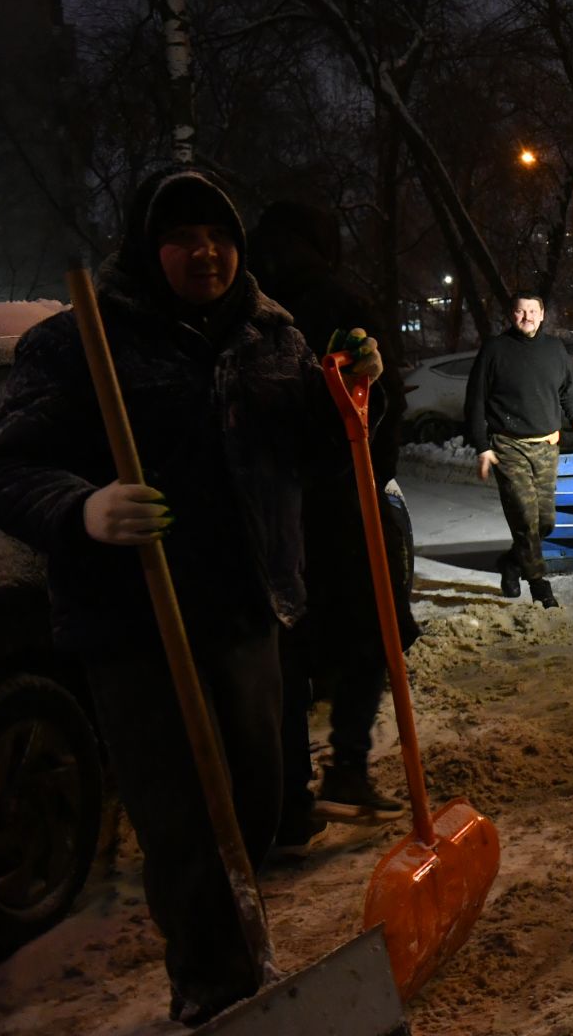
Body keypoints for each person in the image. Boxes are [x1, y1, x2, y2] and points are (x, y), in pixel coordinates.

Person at [0, 166, 382, 1025]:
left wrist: (348, 397)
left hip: (244, 610)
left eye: (220, 235)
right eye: (183, 238)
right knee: (182, 822)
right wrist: (81, 507)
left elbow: (308, 453)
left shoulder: (270, 333)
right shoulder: (82, 340)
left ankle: (241, 967)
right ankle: (214, 990)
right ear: (147, 246)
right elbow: (7, 466)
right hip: (133, 623)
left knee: (252, 803)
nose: (206, 252)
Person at [250, 201, 417, 850]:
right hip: (343, 506)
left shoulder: (246, 306)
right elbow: (386, 398)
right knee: (375, 632)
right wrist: (373, 472)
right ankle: (347, 763)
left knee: (287, 652)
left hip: (269, 510)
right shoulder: (335, 301)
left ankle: (289, 798)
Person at [466, 291, 573, 606]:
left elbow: (567, 389)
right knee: (524, 518)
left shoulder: (554, 349)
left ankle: (511, 562)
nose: (527, 317)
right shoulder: (495, 350)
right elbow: (475, 400)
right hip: (508, 446)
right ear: (512, 314)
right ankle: (539, 584)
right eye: (521, 312)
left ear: (543, 313)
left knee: (544, 523)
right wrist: (482, 446)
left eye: (533, 311)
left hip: (548, 446)